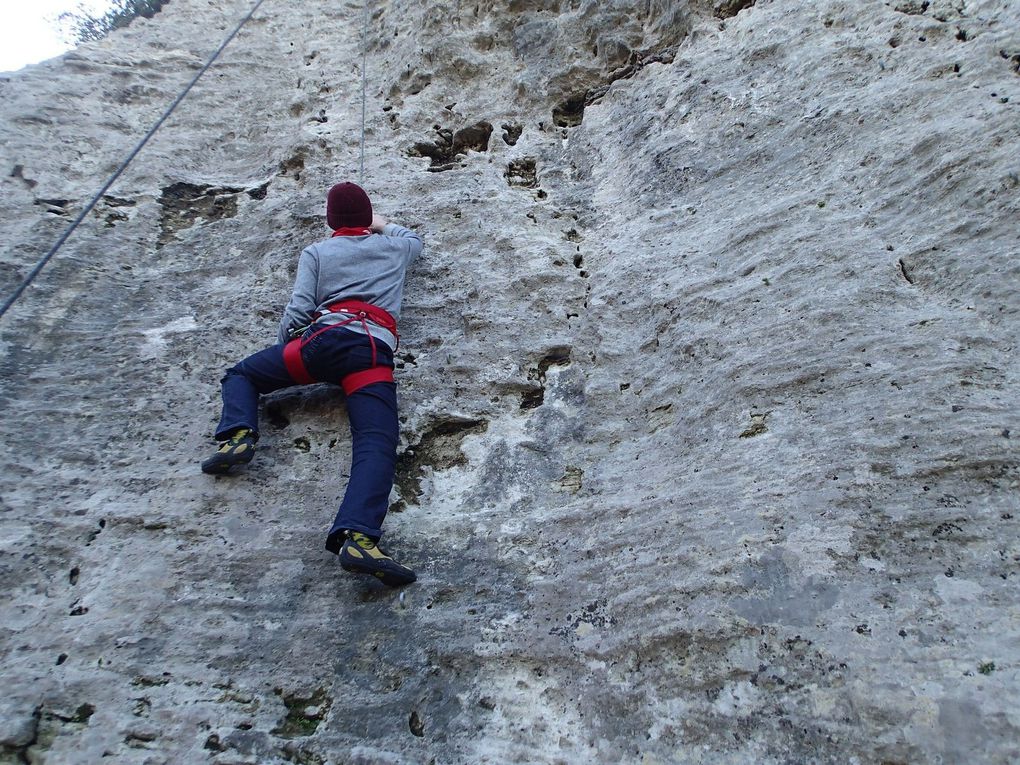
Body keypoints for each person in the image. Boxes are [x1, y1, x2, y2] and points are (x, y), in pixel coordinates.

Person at [201, 181, 422, 587]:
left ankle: (237, 437)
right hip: (370, 351)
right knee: (376, 442)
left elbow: (299, 308)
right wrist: (382, 225)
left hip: (319, 344)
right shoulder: (395, 248)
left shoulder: (318, 252)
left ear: (330, 220)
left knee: (243, 374)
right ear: (367, 219)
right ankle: (358, 537)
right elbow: (413, 239)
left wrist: (289, 348)